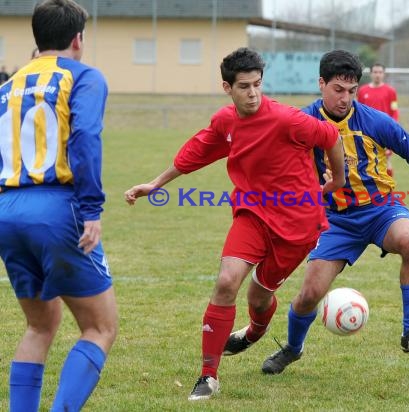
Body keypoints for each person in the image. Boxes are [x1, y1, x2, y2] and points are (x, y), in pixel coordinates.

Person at [124, 47, 346, 401]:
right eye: (244, 86)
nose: (253, 93)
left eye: (257, 84)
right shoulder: (225, 121)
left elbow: (331, 137)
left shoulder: (288, 120)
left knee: (259, 297)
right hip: (253, 214)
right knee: (227, 281)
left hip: (297, 224)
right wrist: (156, 183)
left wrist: (336, 180)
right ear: (227, 87)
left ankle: (255, 333)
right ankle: (209, 376)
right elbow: (195, 152)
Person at [226, 49, 409, 374]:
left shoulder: (375, 121)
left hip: (381, 210)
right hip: (333, 221)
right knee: (309, 294)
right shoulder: (302, 122)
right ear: (321, 84)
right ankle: (293, 349)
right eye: (338, 90)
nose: (345, 98)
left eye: (352, 91)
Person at [0, 1, 118, 411]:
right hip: (56, 210)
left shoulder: (8, 86)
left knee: (39, 324)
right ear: (78, 39)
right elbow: (85, 136)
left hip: (8, 210)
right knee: (100, 327)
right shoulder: (83, 76)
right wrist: (91, 209)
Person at [357, 63, 399, 176]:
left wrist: (393, 126)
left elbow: (394, 110)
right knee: (366, 161)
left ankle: (388, 188)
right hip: (367, 131)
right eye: (375, 72)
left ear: (383, 74)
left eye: (380, 72)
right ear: (371, 74)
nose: (377, 75)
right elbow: (358, 111)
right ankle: (369, 188)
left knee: (386, 161)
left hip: (385, 131)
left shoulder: (391, 91)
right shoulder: (362, 91)